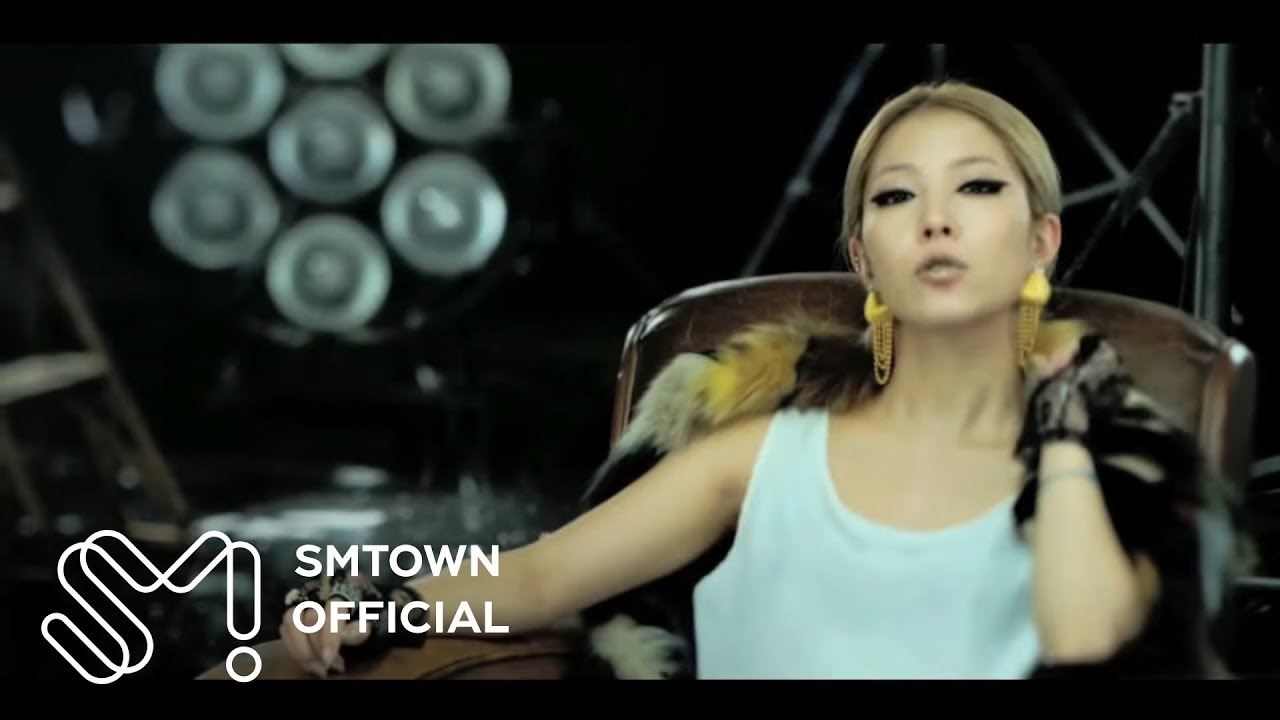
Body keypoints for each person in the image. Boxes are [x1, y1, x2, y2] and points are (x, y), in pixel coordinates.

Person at [274, 79, 1250, 679]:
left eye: (978, 186)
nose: (936, 218)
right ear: (863, 257)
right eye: (896, 195)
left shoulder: (1114, 462)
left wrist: (1066, 433)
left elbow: (1088, 640)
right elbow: (539, 576)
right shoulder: (761, 456)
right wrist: (374, 599)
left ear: (1041, 240)